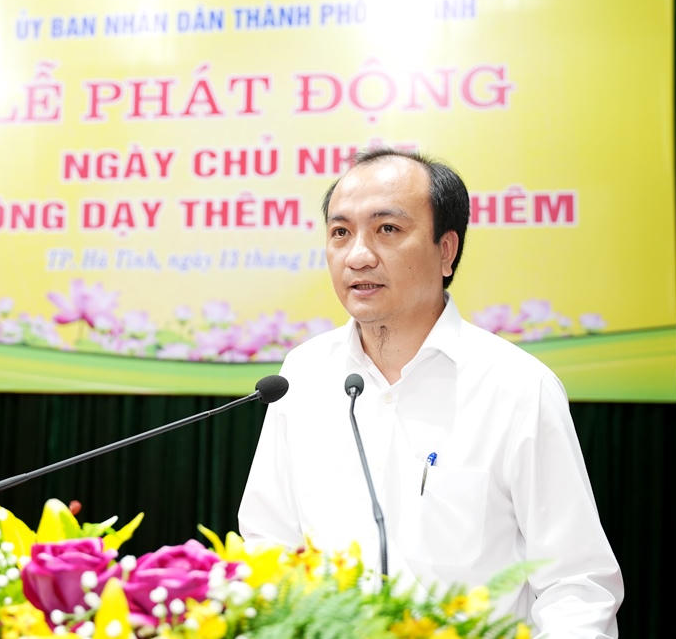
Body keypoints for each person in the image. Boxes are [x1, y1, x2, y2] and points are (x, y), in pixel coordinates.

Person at [238, 148, 623, 637]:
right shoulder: (304, 374)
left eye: (387, 229)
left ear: (446, 251)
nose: (358, 255)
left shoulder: (517, 386)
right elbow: (268, 542)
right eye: (340, 233)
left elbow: (576, 585)